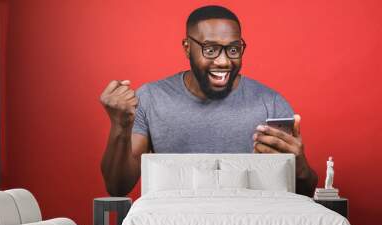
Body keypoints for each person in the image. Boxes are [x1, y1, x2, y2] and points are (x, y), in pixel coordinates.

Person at [100, 5, 318, 197]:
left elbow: (303, 194)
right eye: (210, 49)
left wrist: (300, 167)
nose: (223, 61)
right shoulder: (151, 98)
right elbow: (118, 186)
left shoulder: (270, 103)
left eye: (233, 49)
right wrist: (120, 127)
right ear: (187, 48)